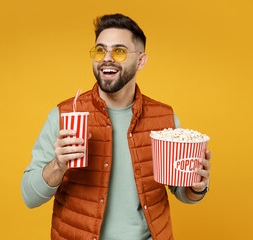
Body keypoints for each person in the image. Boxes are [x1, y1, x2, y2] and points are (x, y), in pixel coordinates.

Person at [21, 13, 211, 240]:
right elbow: (29, 197)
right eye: (100, 50)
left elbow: (181, 191)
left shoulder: (165, 119)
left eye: (119, 51)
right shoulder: (64, 116)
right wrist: (58, 165)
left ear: (141, 60)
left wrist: (197, 187)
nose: (106, 58)